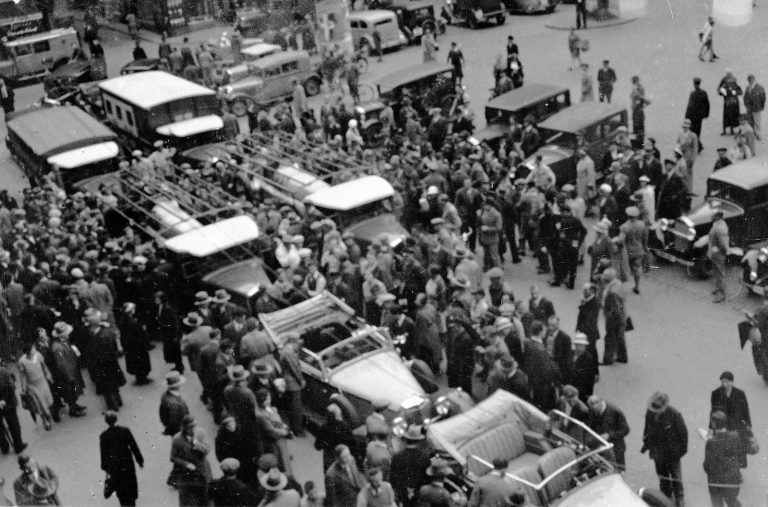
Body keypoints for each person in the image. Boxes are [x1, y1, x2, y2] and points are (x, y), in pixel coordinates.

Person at [641, 392, 688, 507]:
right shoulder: (650, 412)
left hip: (672, 454)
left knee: (676, 476)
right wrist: (646, 443)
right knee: (662, 476)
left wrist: (680, 452)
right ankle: (665, 495)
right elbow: (647, 428)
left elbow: (683, 434)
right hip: (657, 453)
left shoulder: (674, 414)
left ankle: (679, 497)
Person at [100, 411, 144, 507]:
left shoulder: (104, 436)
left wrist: (106, 469)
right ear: (116, 419)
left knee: (121, 491)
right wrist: (140, 460)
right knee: (131, 487)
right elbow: (133, 446)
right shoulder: (125, 431)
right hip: (128, 464)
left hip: (115, 468)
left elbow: (104, 455)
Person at [711, 371, 751, 469]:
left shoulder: (740, 393)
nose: (724, 384)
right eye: (722, 382)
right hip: (722, 425)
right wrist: (711, 426)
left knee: (738, 447)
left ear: (732, 382)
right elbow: (713, 411)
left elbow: (745, 409)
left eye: (727, 382)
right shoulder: (716, 393)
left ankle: (737, 468)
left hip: (737, 424)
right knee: (723, 447)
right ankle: (726, 468)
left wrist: (748, 423)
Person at [170, 415, 212, 506]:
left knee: (206, 499)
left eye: (195, 426)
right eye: (190, 427)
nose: (193, 429)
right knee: (187, 501)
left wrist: (197, 444)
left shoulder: (200, 433)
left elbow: (207, 450)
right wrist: (186, 464)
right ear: (184, 428)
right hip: (186, 475)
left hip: (203, 471)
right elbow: (173, 457)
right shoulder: (177, 439)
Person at [704, 411, 742, 507]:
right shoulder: (735, 436)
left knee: (717, 504)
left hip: (716, 482)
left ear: (714, 424)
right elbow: (739, 456)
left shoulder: (710, 442)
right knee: (732, 502)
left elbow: (707, 465)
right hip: (733, 479)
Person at [49, 322, 86, 417]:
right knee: (70, 393)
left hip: (71, 371)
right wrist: (70, 376)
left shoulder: (63, 342)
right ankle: (73, 410)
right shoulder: (57, 347)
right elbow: (62, 364)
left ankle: (75, 406)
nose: (68, 335)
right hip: (66, 374)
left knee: (73, 392)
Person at [390, 425, 432, 506]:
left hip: (403, 495)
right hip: (420, 496)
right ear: (419, 440)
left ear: (406, 439)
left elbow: (393, 479)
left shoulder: (397, 456)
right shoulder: (424, 457)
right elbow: (428, 479)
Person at [18, 341, 55, 431]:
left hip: (43, 382)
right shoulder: (22, 362)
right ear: (28, 351)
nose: (34, 349)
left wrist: (48, 374)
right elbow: (22, 376)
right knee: (39, 404)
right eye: (33, 348)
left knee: (47, 400)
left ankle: (48, 414)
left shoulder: (38, 355)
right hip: (33, 386)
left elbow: (44, 365)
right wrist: (23, 389)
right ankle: (45, 421)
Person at [587, 395, 630, 470]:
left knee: (618, 471)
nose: (595, 411)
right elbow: (591, 427)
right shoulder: (593, 411)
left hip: (616, 449)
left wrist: (609, 435)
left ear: (600, 403)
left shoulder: (615, 411)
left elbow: (625, 430)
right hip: (601, 448)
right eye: (593, 409)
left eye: (596, 409)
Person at [614, 206, 648, 294]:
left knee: (623, 269)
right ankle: (636, 286)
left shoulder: (625, 227)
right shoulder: (642, 224)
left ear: (627, 215)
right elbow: (645, 238)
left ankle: (622, 288)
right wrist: (645, 248)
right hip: (639, 250)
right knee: (637, 268)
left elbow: (621, 241)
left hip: (627, 252)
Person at [116, 304, 150, 385]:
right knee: (139, 362)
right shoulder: (131, 321)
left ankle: (139, 377)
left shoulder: (124, 319)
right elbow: (136, 333)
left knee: (135, 362)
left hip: (130, 346)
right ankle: (142, 378)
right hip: (136, 345)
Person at [0, 360, 27, 454]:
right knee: (14, 426)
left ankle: (4, 447)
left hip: (5, 403)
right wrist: (3, 400)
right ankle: (18, 446)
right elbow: (10, 386)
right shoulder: (3, 371)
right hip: (8, 404)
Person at [709, 211, 729, 303]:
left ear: (718, 216)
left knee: (720, 274)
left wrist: (720, 252)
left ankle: (722, 295)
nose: (711, 217)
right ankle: (717, 288)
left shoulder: (720, 228)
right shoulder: (716, 224)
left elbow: (723, 243)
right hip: (715, 252)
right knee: (716, 272)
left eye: (713, 215)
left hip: (719, 254)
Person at [685, 77, 710, 152]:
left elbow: (690, 106)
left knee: (692, 131)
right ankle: (697, 146)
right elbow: (707, 104)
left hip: (693, 116)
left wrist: (687, 116)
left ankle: (698, 146)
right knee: (697, 131)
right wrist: (706, 114)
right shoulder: (703, 93)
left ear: (694, 84)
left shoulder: (693, 94)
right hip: (699, 116)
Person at [719, 70, 742, 135]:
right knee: (727, 117)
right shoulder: (724, 86)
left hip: (732, 103)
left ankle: (730, 130)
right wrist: (723, 92)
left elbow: (740, 92)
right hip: (729, 103)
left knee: (731, 117)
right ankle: (726, 130)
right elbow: (720, 91)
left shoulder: (735, 85)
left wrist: (735, 92)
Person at [744, 74, 765, 139]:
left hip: (757, 108)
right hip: (749, 108)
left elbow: (763, 97)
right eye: (749, 80)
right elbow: (745, 97)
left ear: (754, 79)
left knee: (757, 122)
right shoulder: (748, 87)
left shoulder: (759, 87)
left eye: (751, 80)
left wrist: (761, 106)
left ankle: (758, 135)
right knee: (750, 122)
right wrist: (746, 105)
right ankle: (752, 134)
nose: (750, 81)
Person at [631, 76, 649, 145]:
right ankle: (638, 139)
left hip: (638, 111)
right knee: (637, 126)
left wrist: (641, 104)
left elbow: (644, 99)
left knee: (639, 127)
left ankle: (640, 141)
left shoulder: (638, 87)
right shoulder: (636, 87)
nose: (633, 82)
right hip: (636, 110)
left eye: (634, 80)